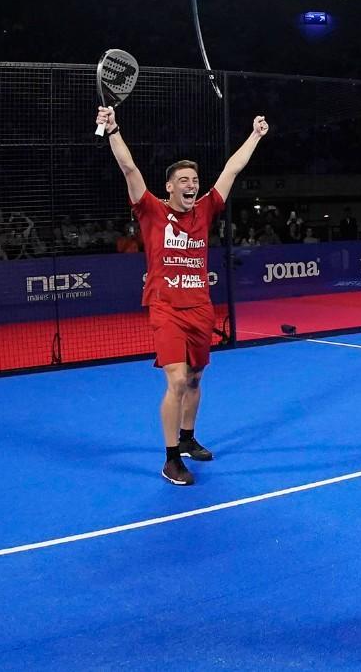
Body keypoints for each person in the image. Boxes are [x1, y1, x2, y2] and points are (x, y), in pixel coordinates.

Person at [97, 105, 269, 486]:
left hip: (201, 308)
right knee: (176, 380)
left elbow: (232, 170)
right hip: (165, 308)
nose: (192, 184)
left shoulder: (205, 209)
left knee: (195, 378)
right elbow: (129, 169)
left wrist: (255, 135)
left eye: (195, 179)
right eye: (184, 180)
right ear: (170, 186)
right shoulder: (151, 211)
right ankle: (171, 458)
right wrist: (113, 129)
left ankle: (188, 440)